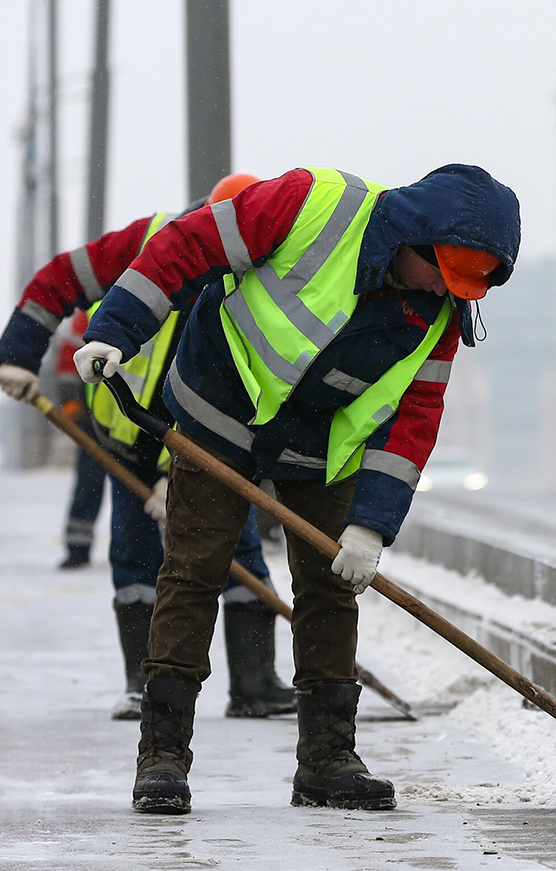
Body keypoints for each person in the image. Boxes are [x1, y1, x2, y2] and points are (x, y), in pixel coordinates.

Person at [74, 164, 520, 815]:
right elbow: (183, 245)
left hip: (320, 441)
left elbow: (415, 420)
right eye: (441, 274)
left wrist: (370, 527)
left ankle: (327, 761)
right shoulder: (311, 204)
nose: (443, 292)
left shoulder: (443, 313)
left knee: (331, 587)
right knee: (194, 571)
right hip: (224, 404)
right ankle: (163, 756)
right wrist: (114, 329)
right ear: (413, 239)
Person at [0, 174, 295, 722]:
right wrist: (18, 354)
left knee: (237, 553)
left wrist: (177, 472)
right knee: (135, 557)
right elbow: (60, 279)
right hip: (123, 437)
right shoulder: (150, 243)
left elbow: (227, 384)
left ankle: (255, 685)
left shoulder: (263, 276)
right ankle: (141, 686)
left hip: (211, 446)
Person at [53, 310, 107, 569]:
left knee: (135, 489)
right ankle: (77, 547)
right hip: (92, 420)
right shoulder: (88, 316)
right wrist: (72, 405)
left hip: (130, 420)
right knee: (89, 482)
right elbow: (67, 365)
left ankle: (144, 547)